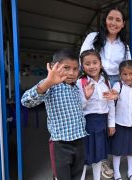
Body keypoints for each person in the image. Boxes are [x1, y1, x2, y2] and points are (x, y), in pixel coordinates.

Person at [21, 49, 86, 180]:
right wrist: (48, 83)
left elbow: (78, 110)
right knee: (62, 177)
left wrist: (87, 97)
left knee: (77, 175)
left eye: (75, 69)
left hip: (79, 140)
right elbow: (26, 101)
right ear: (52, 67)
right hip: (60, 144)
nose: (71, 73)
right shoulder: (50, 86)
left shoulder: (76, 87)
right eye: (66, 68)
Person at [79, 7, 129, 179]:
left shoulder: (125, 45)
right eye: (110, 18)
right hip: (93, 77)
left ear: (123, 24)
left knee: (109, 120)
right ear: (105, 20)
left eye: (118, 20)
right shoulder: (93, 37)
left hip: (113, 82)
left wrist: (117, 89)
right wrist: (87, 78)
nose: (113, 23)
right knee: (89, 116)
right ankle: (85, 161)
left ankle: (102, 159)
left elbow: (126, 69)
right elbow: (83, 58)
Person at [78, 49, 116, 180]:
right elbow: (77, 107)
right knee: (84, 155)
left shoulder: (106, 82)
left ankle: (97, 177)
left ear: (101, 64)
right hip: (85, 124)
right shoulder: (80, 83)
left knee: (99, 154)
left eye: (95, 62)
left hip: (101, 124)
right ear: (82, 66)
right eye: (87, 63)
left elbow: (110, 104)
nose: (92, 66)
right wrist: (86, 98)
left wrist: (111, 124)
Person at [109, 60, 132, 180]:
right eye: (125, 74)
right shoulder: (117, 86)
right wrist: (111, 125)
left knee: (131, 151)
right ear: (120, 75)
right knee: (117, 150)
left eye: (131, 74)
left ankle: (130, 172)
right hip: (119, 124)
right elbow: (111, 107)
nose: (128, 77)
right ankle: (117, 173)